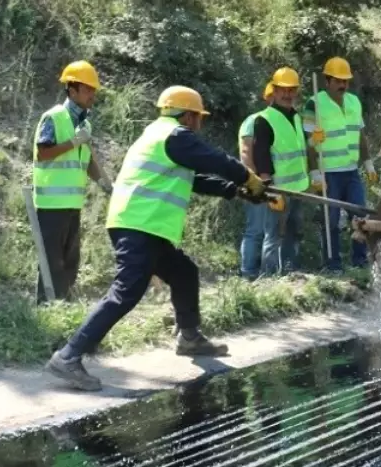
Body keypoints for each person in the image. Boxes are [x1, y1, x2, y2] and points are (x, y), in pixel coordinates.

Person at [45, 86, 268, 391]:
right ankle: (69, 355)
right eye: (197, 117)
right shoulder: (175, 136)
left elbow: (194, 179)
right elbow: (214, 159)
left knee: (184, 272)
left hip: (144, 225)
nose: (198, 123)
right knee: (126, 292)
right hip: (140, 224)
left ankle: (189, 337)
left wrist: (235, 190)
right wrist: (247, 177)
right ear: (188, 115)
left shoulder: (160, 136)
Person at [32, 60, 113, 303]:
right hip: (51, 205)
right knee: (51, 263)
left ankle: (63, 308)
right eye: (88, 89)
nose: (92, 95)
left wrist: (106, 185)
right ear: (72, 90)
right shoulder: (54, 117)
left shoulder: (84, 123)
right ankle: (45, 311)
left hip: (72, 204)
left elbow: (86, 160)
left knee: (70, 261)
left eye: (94, 90)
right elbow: (43, 153)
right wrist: (74, 142)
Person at [304, 56, 378, 272]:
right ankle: (332, 264)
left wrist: (368, 163)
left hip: (351, 170)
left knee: (360, 217)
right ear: (327, 81)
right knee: (331, 220)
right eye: (337, 80)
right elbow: (306, 141)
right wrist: (315, 172)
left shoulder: (354, 102)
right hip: (329, 172)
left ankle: (359, 261)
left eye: (345, 80)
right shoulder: (314, 104)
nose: (342, 85)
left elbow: (360, 134)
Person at [251, 67, 310, 275]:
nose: (287, 94)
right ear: (274, 91)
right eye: (282, 90)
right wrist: (270, 188)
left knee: (295, 232)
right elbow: (260, 155)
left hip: (299, 187)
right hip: (278, 188)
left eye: (292, 90)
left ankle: (289, 272)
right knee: (274, 234)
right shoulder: (264, 120)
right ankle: (268, 277)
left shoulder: (296, 117)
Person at [238, 81, 274, 280]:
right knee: (255, 230)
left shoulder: (276, 121)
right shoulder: (253, 121)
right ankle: (248, 274)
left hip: (271, 184)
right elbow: (246, 152)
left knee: (271, 231)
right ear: (268, 97)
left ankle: (268, 275)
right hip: (255, 183)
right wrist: (253, 181)